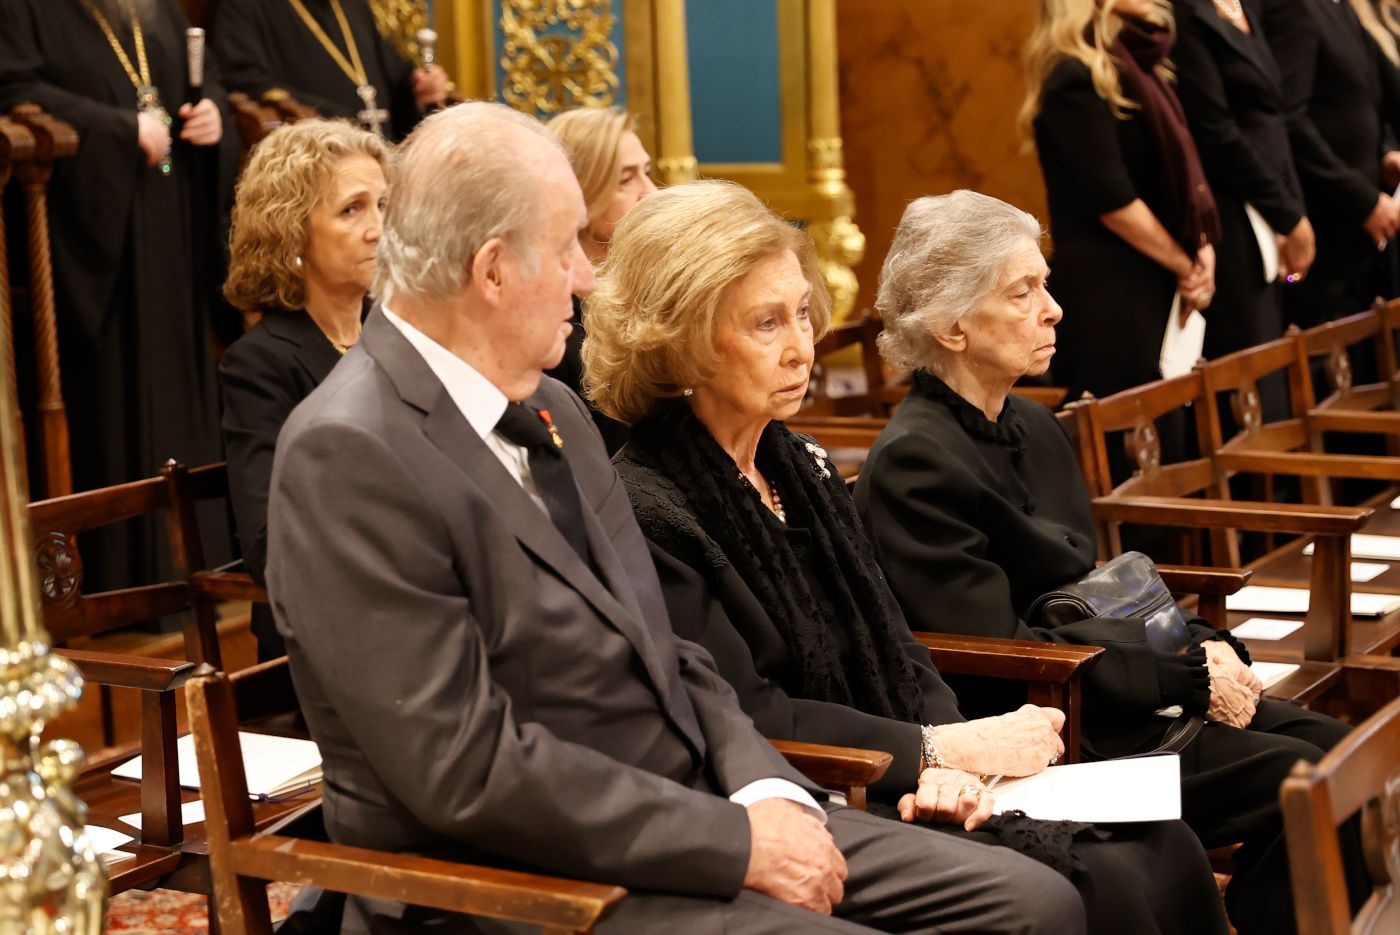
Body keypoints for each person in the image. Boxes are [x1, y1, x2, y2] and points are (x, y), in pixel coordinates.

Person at [265, 101, 1085, 934]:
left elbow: (672, 652)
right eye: (568, 251)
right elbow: (463, 770)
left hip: (690, 807)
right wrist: (735, 840)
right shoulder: (349, 448)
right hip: (516, 879)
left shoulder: (553, 407)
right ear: (493, 270)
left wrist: (769, 794)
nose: (587, 280)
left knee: (1035, 903)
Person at [586, 180, 1230, 935]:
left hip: (903, 765)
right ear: (681, 339)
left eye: (802, 313)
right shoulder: (649, 507)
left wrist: (956, 762)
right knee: (1100, 882)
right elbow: (753, 714)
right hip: (816, 792)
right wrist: (930, 751)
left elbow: (894, 640)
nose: (804, 347)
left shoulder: (801, 465)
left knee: (1166, 843)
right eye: (767, 324)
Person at [853, 190, 1368, 935]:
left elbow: (1097, 593)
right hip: (1061, 735)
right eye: (1023, 291)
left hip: (1125, 697)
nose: (1053, 308)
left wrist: (1199, 641)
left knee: (1353, 757)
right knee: (1317, 787)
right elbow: (996, 654)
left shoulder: (1031, 422)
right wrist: (1184, 670)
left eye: (1045, 283)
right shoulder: (913, 462)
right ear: (952, 325)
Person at [0, 0, 234, 587]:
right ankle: (126, 582)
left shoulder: (154, 12)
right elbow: (13, 88)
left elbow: (202, 87)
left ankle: (198, 572)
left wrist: (213, 116)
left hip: (171, 226)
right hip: (97, 241)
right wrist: (117, 129)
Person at [220, 119, 389, 661]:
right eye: (351, 209)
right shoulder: (261, 363)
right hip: (325, 632)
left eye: (383, 206)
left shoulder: (400, 333)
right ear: (291, 231)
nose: (378, 229)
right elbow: (271, 542)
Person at [1019, 0, 1217, 406]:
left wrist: (1201, 248)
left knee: (1169, 435)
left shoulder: (1143, 67)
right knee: (1129, 442)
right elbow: (1112, 198)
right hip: (1112, 293)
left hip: (1155, 276)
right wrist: (1186, 264)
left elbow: (1185, 183)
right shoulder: (1073, 76)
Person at [1171, 0, 1313, 365]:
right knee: (1251, 367)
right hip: (1231, 216)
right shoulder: (1185, 12)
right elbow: (1216, 133)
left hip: (1269, 207)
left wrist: (1291, 211)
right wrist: (1289, 216)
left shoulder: (1246, 5)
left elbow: (1272, 119)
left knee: (1276, 360)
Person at [1261, 0, 1400, 327]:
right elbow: (1290, 119)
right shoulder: (1294, 8)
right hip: (1327, 233)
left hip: (1364, 239)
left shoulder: (1341, 8)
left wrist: (1385, 153)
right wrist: (1363, 200)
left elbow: (1365, 103)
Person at [544, 105, 658, 453]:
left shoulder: (656, 289)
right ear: (579, 194)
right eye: (626, 179)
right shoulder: (558, 328)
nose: (650, 192)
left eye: (648, 172)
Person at [211, 0, 449, 140]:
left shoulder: (351, 5)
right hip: (314, 167)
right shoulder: (243, 6)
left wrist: (420, 89)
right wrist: (341, 120)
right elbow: (244, 79)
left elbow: (391, 76)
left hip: (382, 160)